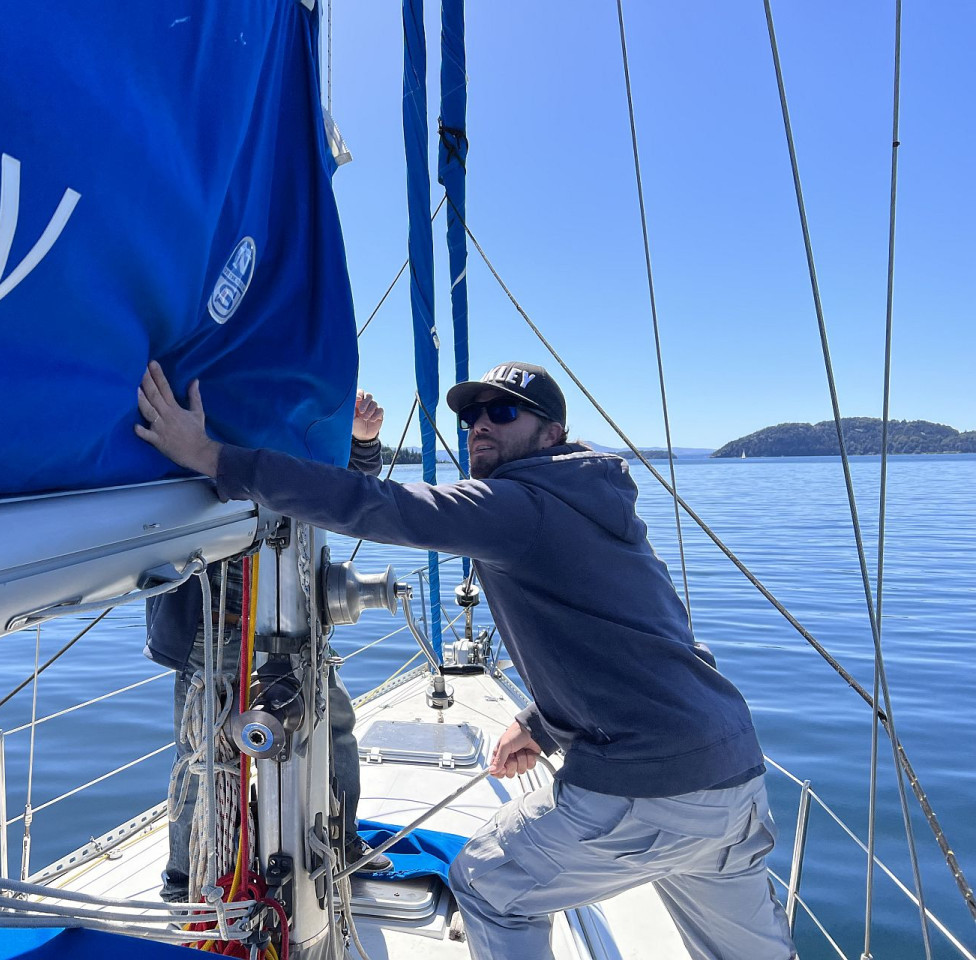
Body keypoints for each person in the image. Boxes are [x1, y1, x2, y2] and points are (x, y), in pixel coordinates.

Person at [134, 358, 797, 960]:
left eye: (503, 412)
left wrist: (210, 455)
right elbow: (666, 643)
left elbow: (377, 505)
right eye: (471, 414)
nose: (480, 425)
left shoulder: (518, 503)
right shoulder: (600, 503)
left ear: (551, 433)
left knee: (486, 883)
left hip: (648, 784)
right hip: (733, 772)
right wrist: (541, 723)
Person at [145, 389, 392, 903]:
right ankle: (188, 878)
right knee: (204, 753)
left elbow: (344, 490)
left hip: (295, 620)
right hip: (211, 625)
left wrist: (361, 442)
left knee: (331, 726)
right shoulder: (202, 407)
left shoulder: (298, 412)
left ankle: (339, 844)